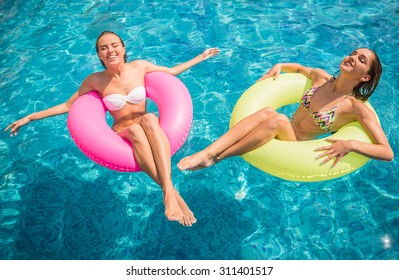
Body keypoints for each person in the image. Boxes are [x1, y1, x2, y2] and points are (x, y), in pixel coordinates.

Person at [5, 31, 220, 227]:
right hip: (123, 132)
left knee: (149, 120)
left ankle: (169, 193)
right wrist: (30, 117)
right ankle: (171, 193)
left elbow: (171, 71)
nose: (110, 50)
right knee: (137, 129)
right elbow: (68, 106)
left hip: (147, 125)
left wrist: (201, 56)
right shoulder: (95, 80)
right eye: (103, 48)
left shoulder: (139, 66)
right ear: (99, 55)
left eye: (114, 45)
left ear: (123, 48)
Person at [177, 48, 394, 173]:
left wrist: (350, 144)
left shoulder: (355, 108)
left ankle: (215, 156)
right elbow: (299, 68)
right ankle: (208, 154)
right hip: (280, 128)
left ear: (365, 77)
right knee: (269, 113)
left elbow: (387, 152)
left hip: (297, 147)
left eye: (361, 60)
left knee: (276, 118)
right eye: (353, 53)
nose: (352, 57)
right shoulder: (320, 78)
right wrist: (279, 65)